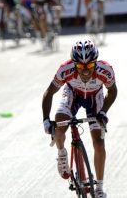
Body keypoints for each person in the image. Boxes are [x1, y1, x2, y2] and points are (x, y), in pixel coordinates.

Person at [42, 40, 117, 198]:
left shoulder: (106, 70)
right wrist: (46, 120)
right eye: (80, 66)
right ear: (73, 63)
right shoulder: (65, 69)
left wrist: (103, 112)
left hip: (94, 98)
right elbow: (49, 92)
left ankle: (99, 189)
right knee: (60, 124)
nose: (85, 71)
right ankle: (62, 154)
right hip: (73, 95)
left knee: (99, 143)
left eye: (89, 66)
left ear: (95, 62)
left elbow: (113, 91)